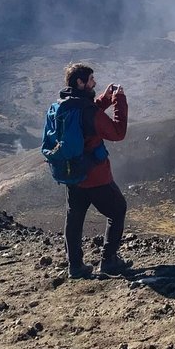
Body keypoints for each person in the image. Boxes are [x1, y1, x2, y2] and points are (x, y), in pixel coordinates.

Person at [53, 62, 130, 278]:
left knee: (74, 216)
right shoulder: (87, 111)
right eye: (91, 79)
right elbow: (117, 132)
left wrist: (105, 98)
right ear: (80, 82)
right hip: (95, 176)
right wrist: (119, 100)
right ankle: (109, 260)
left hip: (72, 174)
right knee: (117, 210)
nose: (94, 82)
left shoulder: (65, 105)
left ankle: (75, 266)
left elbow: (87, 114)